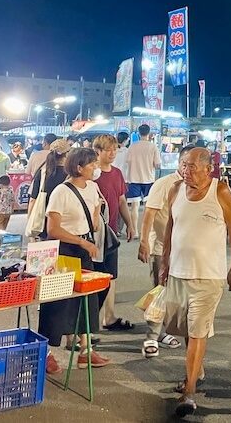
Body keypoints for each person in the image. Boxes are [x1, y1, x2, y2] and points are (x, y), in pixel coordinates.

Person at [160, 146, 231, 417]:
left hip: (209, 276)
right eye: (183, 165)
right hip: (178, 274)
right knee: (184, 330)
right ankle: (196, 373)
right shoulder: (175, 190)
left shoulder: (220, 192)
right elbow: (170, 227)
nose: (186, 171)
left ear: (209, 169)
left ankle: (189, 392)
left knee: (196, 332)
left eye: (192, 166)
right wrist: (164, 262)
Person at [39, 147, 111, 373]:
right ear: (79, 167)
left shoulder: (93, 187)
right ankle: (47, 353)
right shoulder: (61, 191)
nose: (96, 168)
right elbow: (53, 229)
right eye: (92, 164)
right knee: (57, 303)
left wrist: (97, 208)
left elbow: (94, 225)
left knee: (86, 300)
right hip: (64, 250)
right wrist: (82, 243)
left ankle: (86, 351)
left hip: (84, 247)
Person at [138, 144, 189, 358]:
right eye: (186, 164)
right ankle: (151, 336)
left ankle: (164, 331)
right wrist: (144, 242)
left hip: (184, 251)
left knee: (178, 295)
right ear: (179, 163)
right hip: (161, 248)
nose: (189, 169)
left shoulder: (195, 187)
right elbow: (149, 213)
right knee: (160, 292)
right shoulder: (164, 184)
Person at [92, 134, 136, 332]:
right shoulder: (91, 173)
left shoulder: (117, 173)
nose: (112, 153)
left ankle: (109, 317)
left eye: (114, 149)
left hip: (111, 232)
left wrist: (130, 223)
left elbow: (121, 200)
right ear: (98, 151)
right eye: (107, 150)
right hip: (93, 234)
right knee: (93, 278)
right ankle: (87, 323)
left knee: (111, 276)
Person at [28, 138, 72, 226]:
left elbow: (33, 199)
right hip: (66, 220)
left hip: (44, 220)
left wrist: (30, 221)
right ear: (67, 154)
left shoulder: (43, 173)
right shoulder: (71, 174)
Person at [126, 123, 161, 232]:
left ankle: (135, 231)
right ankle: (146, 230)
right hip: (149, 179)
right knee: (148, 206)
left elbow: (128, 161)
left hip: (133, 178)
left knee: (134, 206)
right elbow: (157, 164)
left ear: (138, 133)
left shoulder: (132, 146)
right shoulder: (153, 147)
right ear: (149, 133)